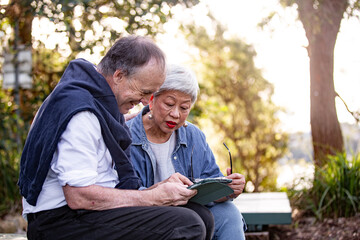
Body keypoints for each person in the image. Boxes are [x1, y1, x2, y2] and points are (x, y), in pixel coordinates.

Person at [18, 35, 214, 240]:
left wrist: (160, 189)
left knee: (202, 217)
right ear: (119, 75)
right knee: (186, 225)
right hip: (59, 222)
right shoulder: (81, 113)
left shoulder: (100, 102)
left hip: (88, 213)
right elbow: (79, 196)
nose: (146, 101)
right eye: (144, 91)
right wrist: (153, 197)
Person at [126, 64, 247, 240]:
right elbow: (122, 195)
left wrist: (227, 189)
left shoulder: (193, 136)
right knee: (188, 220)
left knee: (229, 214)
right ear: (152, 100)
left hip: (192, 212)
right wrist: (160, 190)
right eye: (169, 104)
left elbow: (211, 181)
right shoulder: (126, 135)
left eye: (184, 108)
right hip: (146, 217)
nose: (175, 114)